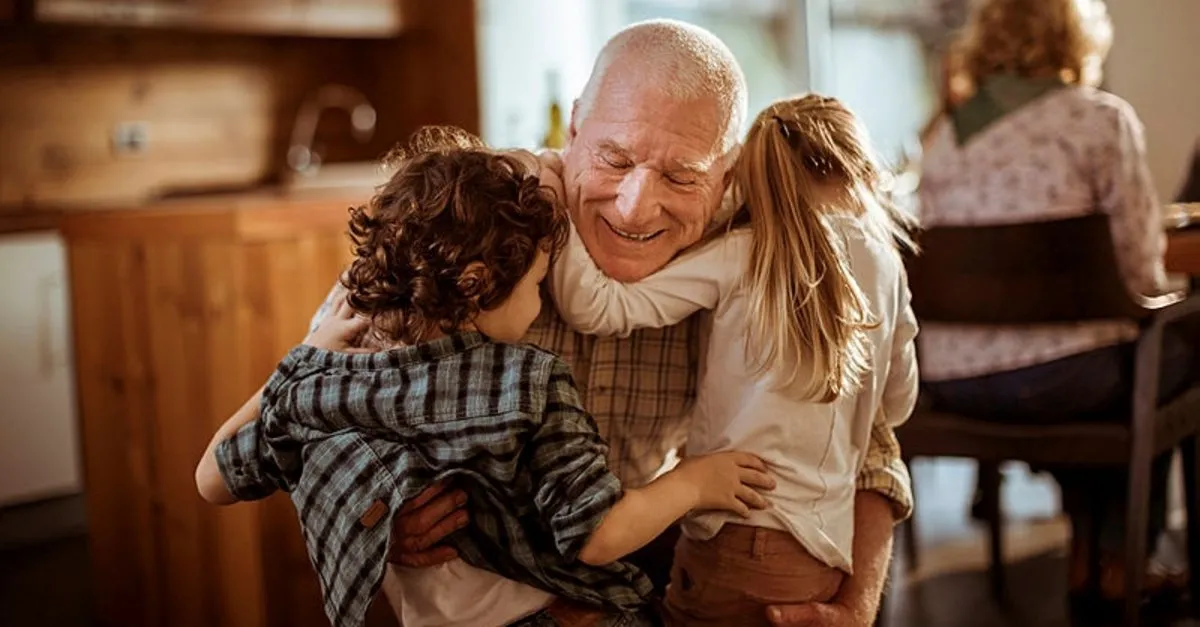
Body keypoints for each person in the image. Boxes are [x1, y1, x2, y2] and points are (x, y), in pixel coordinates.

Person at [203, 19, 912, 627]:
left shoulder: (749, 251)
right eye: (614, 157)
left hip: (634, 564)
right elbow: (317, 397)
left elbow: (867, 426)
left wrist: (858, 600)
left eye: (681, 176)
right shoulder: (477, 221)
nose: (637, 207)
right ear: (573, 127)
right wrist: (375, 512)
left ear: (725, 178)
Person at [196, 128, 776, 627]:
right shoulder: (528, 382)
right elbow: (597, 534)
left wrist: (305, 359)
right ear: (475, 283)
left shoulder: (325, 380)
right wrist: (696, 483)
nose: (538, 305)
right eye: (536, 284)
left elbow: (212, 478)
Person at [549, 94, 919, 626]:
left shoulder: (745, 252)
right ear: (859, 166)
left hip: (734, 536)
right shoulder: (887, 267)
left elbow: (595, 306)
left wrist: (552, 201)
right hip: (823, 550)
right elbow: (899, 405)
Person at [917, 0, 1200, 603]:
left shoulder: (946, 135)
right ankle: (1124, 561)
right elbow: (1139, 270)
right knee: (1171, 355)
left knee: (1110, 366)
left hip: (953, 380)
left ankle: (1089, 557)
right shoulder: (1100, 119)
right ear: (1076, 38)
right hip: (1063, 380)